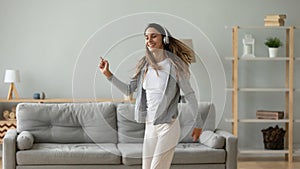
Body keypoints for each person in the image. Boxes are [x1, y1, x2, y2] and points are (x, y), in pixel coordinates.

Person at [99, 23, 203, 169]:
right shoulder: (144, 66)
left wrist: (198, 123)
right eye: (146, 37)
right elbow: (129, 90)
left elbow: (190, 95)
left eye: (154, 36)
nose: (149, 40)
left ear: (164, 39)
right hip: (150, 126)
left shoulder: (174, 65)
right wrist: (108, 74)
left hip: (168, 126)